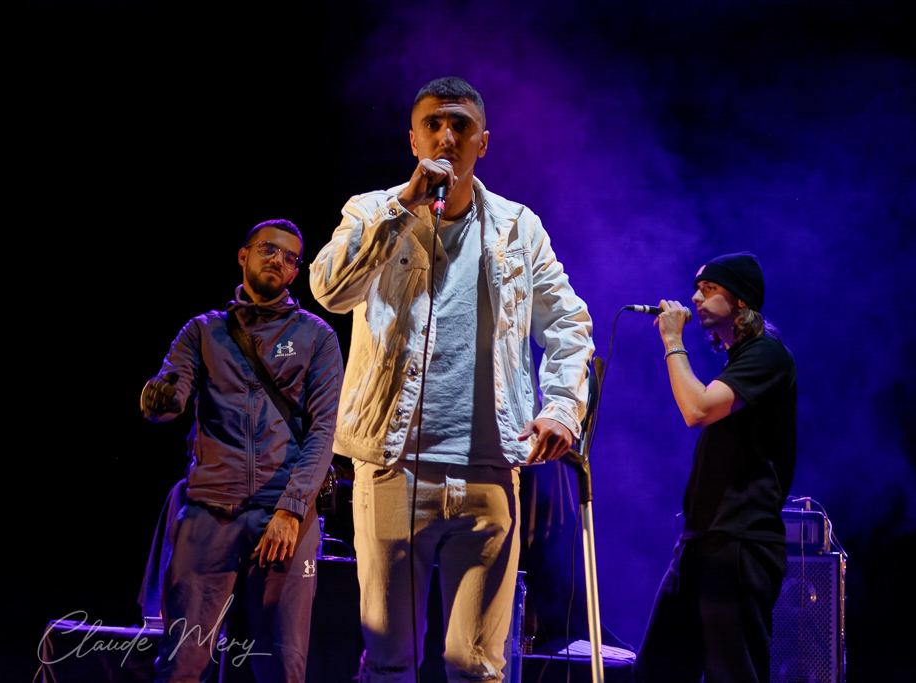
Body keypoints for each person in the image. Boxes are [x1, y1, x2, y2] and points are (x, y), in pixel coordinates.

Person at [309, 76, 594, 682]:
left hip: (489, 468)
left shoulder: (519, 227)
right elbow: (330, 290)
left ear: (482, 142)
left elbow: (569, 323)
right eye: (433, 124)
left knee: (478, 664)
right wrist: (401, 209)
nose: (446, 136)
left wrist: (562, 409)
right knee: (390, 662)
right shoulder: (371, 210)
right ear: (413, 139)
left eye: (460, 125)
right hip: (392, 466)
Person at [140, 219, 343, 683]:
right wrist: (160, 400)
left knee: (282, 666)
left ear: (295, 273)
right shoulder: (203, 331)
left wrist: (291, 510)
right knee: (180, 664)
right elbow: (171, 395)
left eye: (289, 257)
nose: (278, 260)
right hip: (209, 512)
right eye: (268, 249)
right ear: (243, 255)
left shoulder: (317, 336)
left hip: (284, 515)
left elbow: (323, 432)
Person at [632, 252, 797, 683]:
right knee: (657, 671)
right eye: (696, 289)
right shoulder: (740, 358)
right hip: (702, 539)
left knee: (733, 674)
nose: (695, 298)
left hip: (740, 541)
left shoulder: (768, 355)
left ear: (740, 300)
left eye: (709, 289)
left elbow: (698, 410)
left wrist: (673, 340)